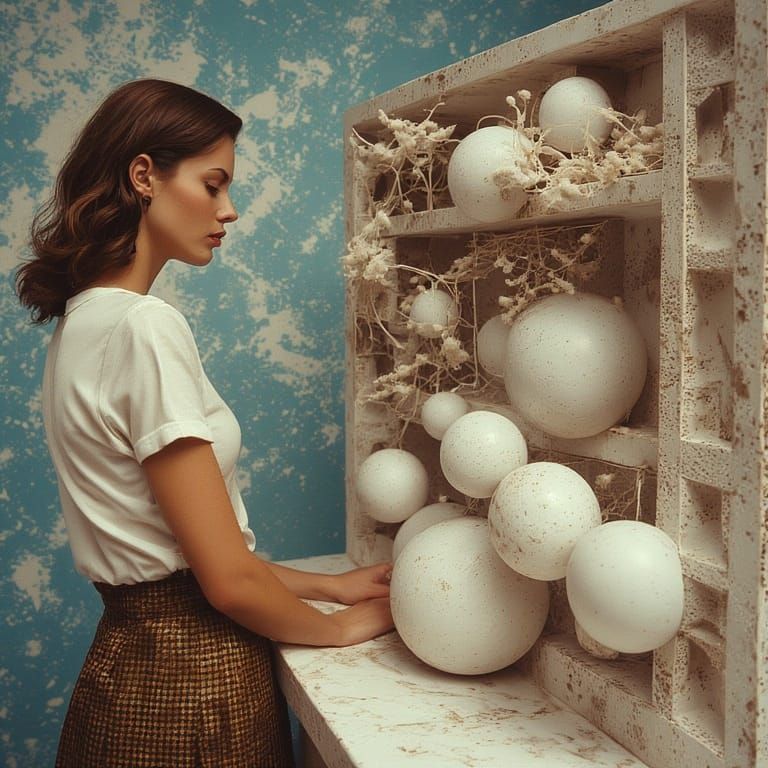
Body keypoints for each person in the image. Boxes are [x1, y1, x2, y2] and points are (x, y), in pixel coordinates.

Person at [16, 78, 394, 768]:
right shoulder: (143, 326)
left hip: (125, 675)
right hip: (193, 686)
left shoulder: (82, 323)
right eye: (213, 184)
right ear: (143, 177)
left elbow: (172, 563)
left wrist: (329, 586)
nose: (230, 210)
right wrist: (339, 629)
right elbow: (222, 583)